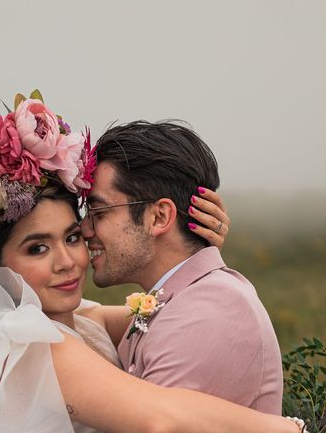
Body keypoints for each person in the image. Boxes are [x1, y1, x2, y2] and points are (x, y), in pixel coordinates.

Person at [0, 93, 305, 433]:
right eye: (37, 247)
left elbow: (170, 304)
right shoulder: (27, 337)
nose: (71, 256)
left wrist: (199, 244)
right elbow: (161, 418)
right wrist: (295, 428)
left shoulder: (79, 319)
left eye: (73, 233)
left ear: (158, 216)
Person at [79, 121, 284, 413]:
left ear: (159, 217)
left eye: (98, 211)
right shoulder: (181, 295)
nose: (84, 229)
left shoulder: (208, 312)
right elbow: (88, 317)